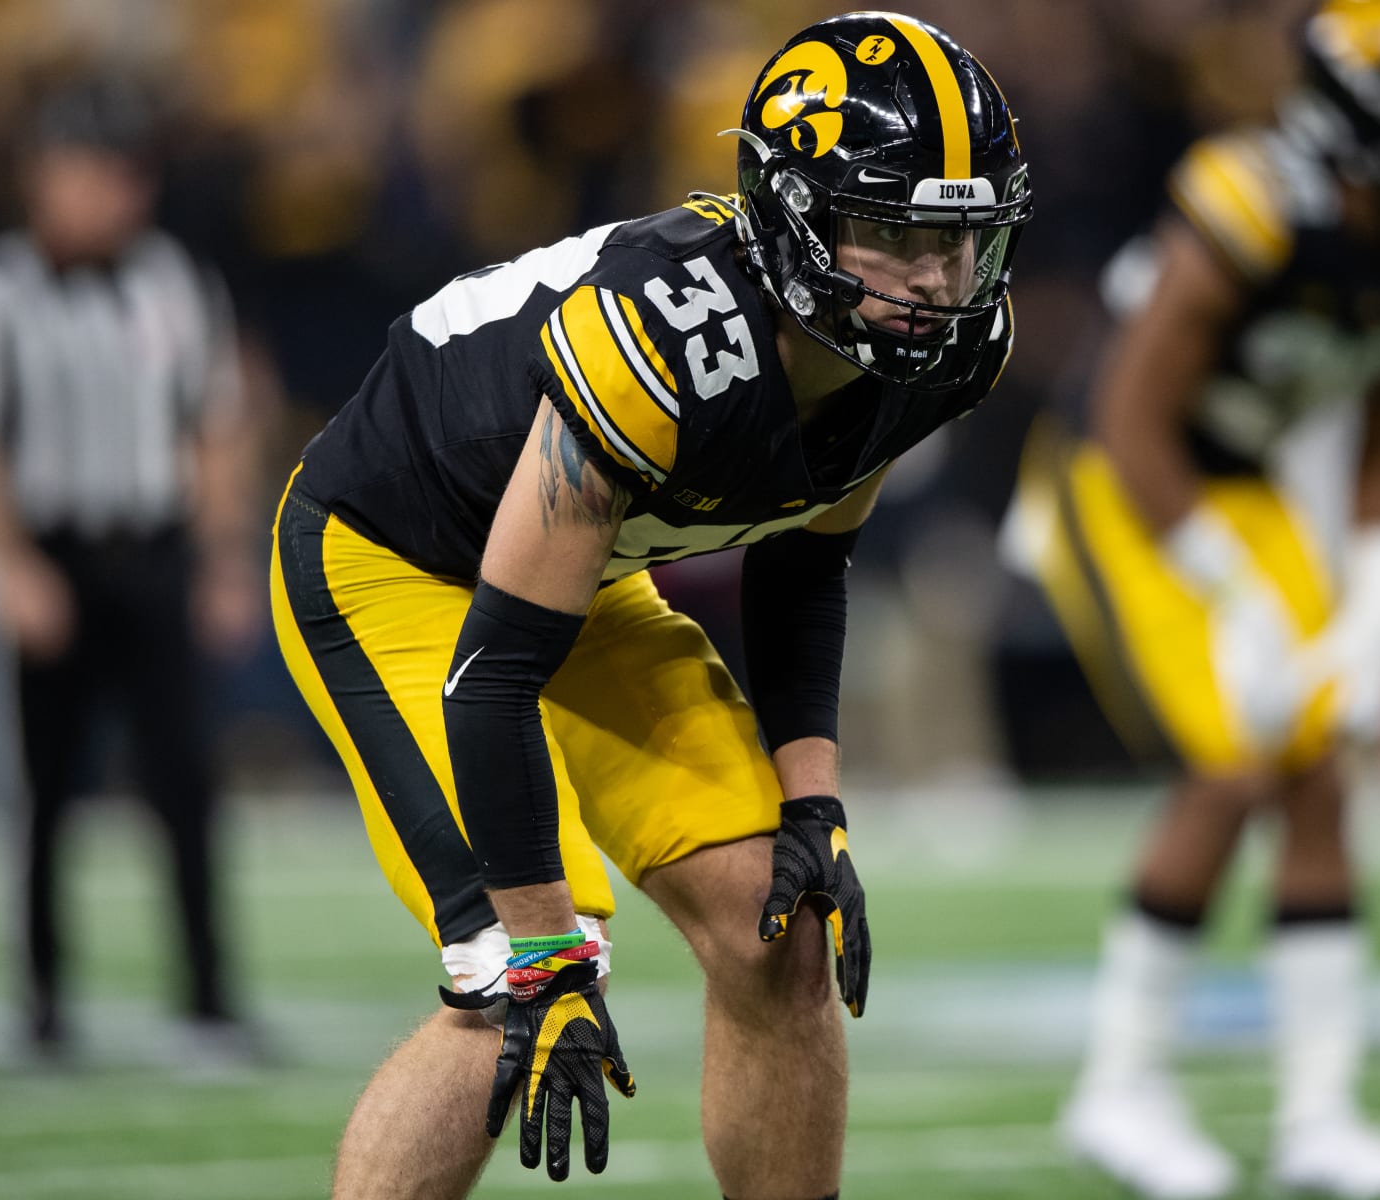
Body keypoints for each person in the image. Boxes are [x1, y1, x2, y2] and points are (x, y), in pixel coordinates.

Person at [269, 13, 1031, 1198]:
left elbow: (804, 560)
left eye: (959, 238)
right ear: (792, 214)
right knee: (514, 989)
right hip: (399, 565)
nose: (935, 281)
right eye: (891, 232)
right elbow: (495, 675)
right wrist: (539, 944)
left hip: (577, 578)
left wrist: (812, 800)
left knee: (780, 938)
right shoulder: (664, 343)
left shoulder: (941, 346)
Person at [1001, 2, 1380, 1197]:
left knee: (1320, 769)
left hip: (1244, 479)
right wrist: (1235, 599)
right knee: (1233, 761)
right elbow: (1130, 417)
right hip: (1120, 481)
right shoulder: (1252, 202)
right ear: (1366, 116)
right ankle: (1118, 1089)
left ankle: (1319, 1116)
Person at [0, 76, 258, 1058]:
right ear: (43, 179)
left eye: (122, 176)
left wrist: (220, 560)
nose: (108, 197)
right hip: (55, 554)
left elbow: (216, 425)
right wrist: (9, 567)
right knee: (43, 794)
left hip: (154, 553)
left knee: (185, 783)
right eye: (88, 174)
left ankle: (209, 994)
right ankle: (43, 999)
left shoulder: (173, 278)